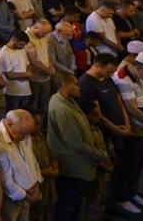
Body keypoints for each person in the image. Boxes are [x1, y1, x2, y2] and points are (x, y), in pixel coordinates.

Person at [45, 72, 109, 221]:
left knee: (74, 204)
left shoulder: (69, 100)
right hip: (72, 166)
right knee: (69, 205)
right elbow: (75, 143)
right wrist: (101, 154)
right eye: (75, 84)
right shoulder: (61, 109)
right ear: (64, 85)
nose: (79, 87)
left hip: (78, 162)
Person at [0, 110, 43, 221]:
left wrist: (36, 183)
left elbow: (32, 160)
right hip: (11, 200)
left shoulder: (23, 132)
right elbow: (5, 181)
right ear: (9, 124)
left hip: (29, 195)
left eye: (27, 134)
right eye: (22, 133)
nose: (25, 137)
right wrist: (27, 196)